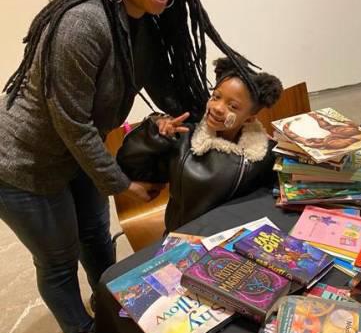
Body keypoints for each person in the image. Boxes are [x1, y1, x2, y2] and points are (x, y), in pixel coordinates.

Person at [0, 0, 257, 333]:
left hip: (76, 153)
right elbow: (73, 123)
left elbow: (171, 93)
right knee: (59, 259)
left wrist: (224, 119)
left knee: (97, 237)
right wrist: (121, 184)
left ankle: (111, 310)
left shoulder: (143, 26)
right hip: (24, 162)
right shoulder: (82, 24)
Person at [117, 57, 283, 232]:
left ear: (249, 118)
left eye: (233, 106)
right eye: (216, 96)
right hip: (185, 240)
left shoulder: (263, 154)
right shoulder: (184, 139)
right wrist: (155, 135)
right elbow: (132, 168)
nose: (218, 107)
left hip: (234, 242)